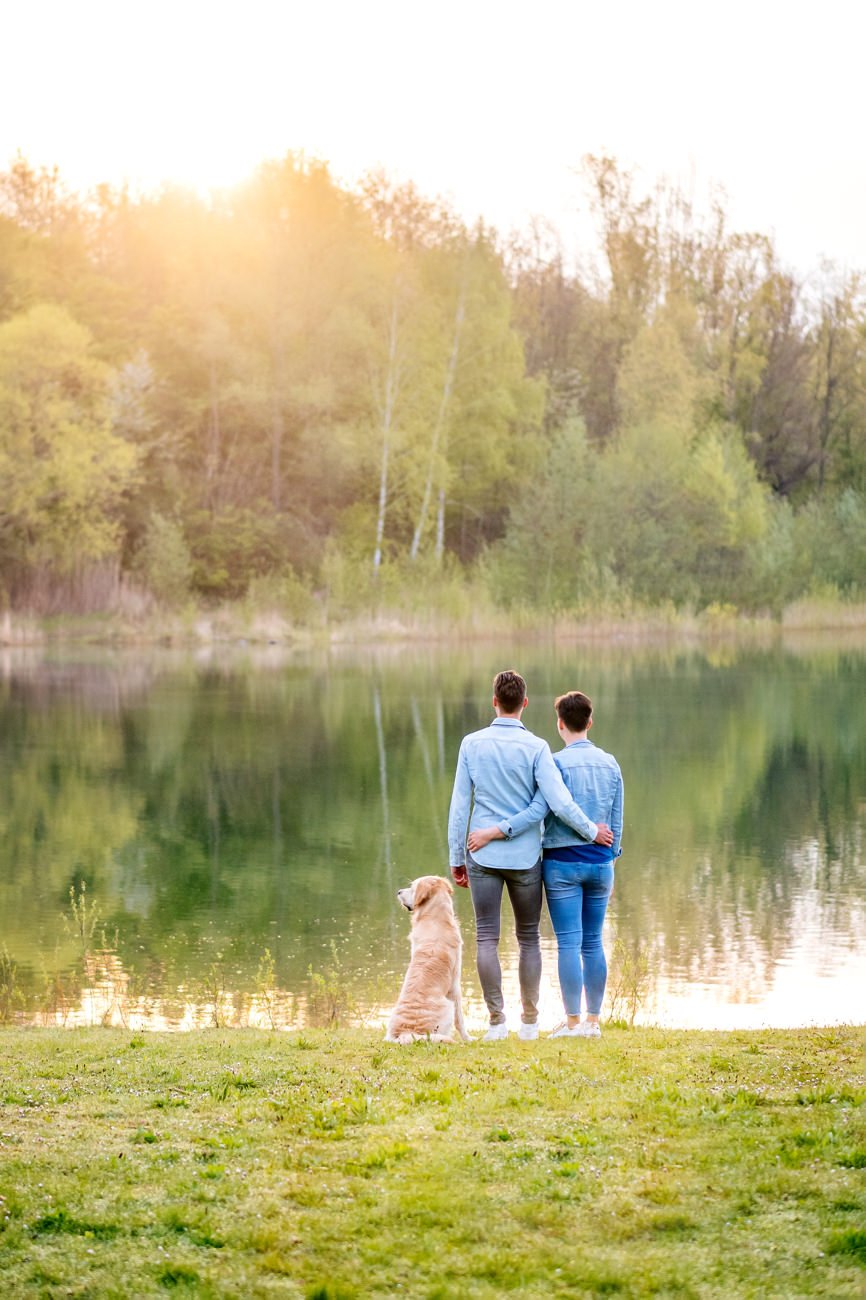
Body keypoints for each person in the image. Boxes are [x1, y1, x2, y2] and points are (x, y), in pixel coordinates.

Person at [448, 670, 613, 1042]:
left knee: (486, 938)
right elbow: (552, 803)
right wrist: (592, 832)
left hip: (481, 852)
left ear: (494, 701)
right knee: (529, 939)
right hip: (525, 858)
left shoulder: (471, 744)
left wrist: (456, 856)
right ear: (525, 703)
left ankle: (495, 1023)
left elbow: (460, 805)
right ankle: (529, 1023)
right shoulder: (538, 748)